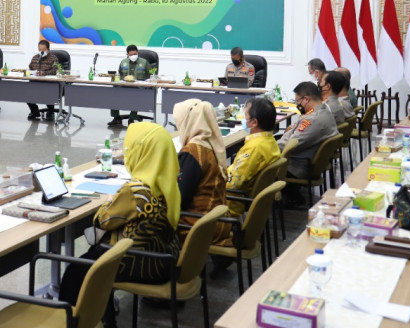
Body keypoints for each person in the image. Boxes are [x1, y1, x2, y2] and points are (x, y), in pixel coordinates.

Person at [58, 122, 181, 328]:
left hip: (142, 263)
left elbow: (102, 220)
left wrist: (111, 200)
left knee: (76, 272)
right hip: (165, 258)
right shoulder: (167, 181)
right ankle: (107, 320)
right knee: (92, 259)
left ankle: (72, 322)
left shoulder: (136, 189)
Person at [173, 99, 231, 246]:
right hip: (217, 220)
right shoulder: (212, 145)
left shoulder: (192, 152)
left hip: (198, 226)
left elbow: (179, 198)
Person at [278, 81, 338, 193]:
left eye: (297, 101)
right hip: (307, 158)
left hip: (296, 166)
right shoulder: (325, 110)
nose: (297, 105)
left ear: (306, 99)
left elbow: (287, 146)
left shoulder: (312, 120)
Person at [225, 97, 281, 216]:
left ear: (254, 122)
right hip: (249, 197)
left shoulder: (254, 148)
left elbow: (233, 183)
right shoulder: (269, 141)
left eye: (245, 115)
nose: (243, 119)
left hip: (230, 204)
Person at [109, 44, 150, 127]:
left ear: (137, 53)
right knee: (113, 92)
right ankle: (116, 118)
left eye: (135, 54)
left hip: (139, 87)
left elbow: (152, 75)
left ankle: (132, 118)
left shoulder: (144, 62)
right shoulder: (123, 62)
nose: (133, 56)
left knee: (136, 95)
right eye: (131, 55)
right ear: (127, 54)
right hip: (125, 85)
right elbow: (119, 75)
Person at [26, 40, 58, 121]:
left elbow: (54, 71)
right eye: (39, 50)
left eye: (43, 50)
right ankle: (34, 112)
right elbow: (30, 68)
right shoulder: (35, 58)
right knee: (26, 93)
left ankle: (51, 112)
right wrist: (30, 73)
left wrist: (43, 73)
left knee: (47, 93)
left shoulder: (53, 58)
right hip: (35, 82)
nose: (41, 52)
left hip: (48, 83)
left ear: (48, 50)